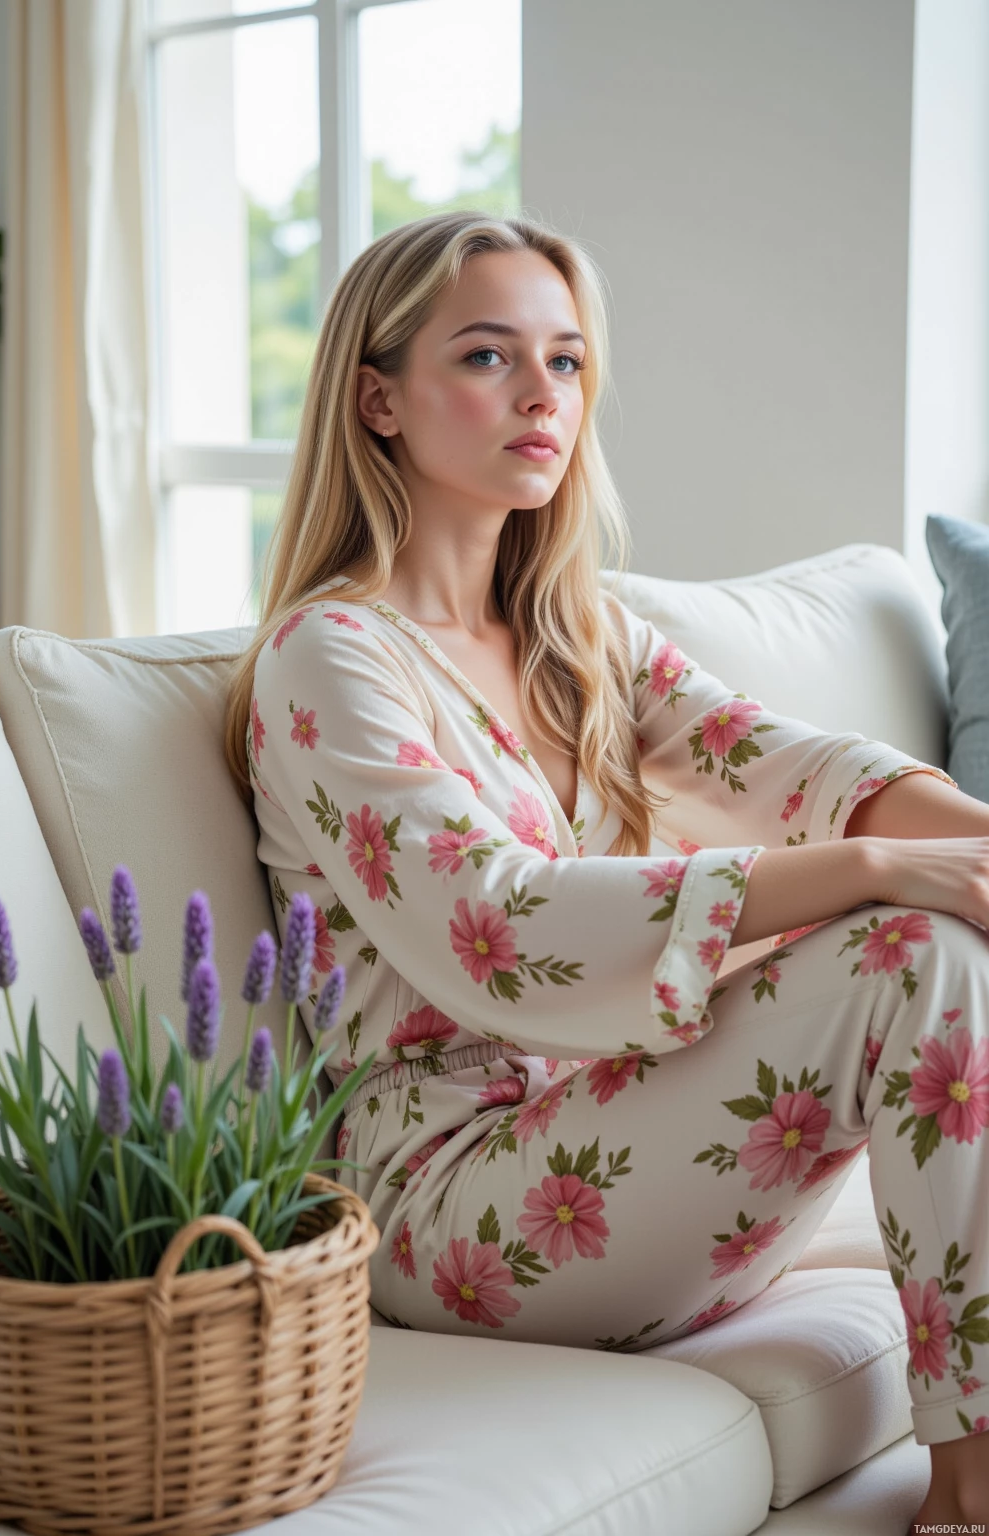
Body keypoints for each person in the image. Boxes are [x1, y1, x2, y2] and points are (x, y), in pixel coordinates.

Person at [224, 209, 989, 1528]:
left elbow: (804, 766)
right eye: (486, 356)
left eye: (567, 361)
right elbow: (501, 926)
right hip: (451, 1206)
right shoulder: (328, 659)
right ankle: (974, 1486)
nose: (541, 396)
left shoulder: (579, 635)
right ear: (379, 399)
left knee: (950, 926)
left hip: (624, 1133)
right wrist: (869, 871)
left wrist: (957, 843)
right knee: (910, 950)